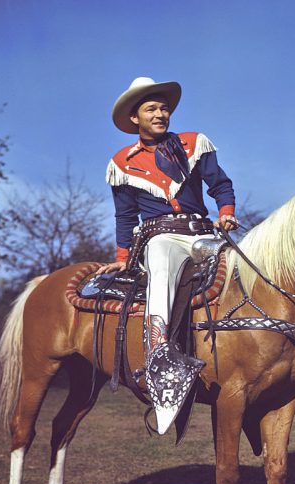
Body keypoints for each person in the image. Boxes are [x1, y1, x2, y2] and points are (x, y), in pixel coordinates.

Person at [97, 77, 237, 433]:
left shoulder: (192, 144)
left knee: (241, 265)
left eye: (164, 108)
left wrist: (225, 211)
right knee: (160, 269)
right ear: (134, 118)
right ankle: (163, 367)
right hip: (160, 237)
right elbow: (126, 215)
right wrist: (123, 254)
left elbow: (219, 183)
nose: (160, 114)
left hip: (202, 231)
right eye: (151, 109)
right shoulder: (122, 162)